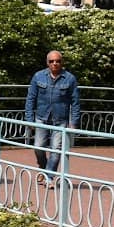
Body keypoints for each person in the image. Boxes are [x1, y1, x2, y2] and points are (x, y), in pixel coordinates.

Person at [25, 50, 80, 180]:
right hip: (41, 117)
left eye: (58, 61)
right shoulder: (38, 76)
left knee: (56, 150)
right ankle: (43, 168)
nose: (55, 63)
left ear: (62, 62)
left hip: (60, 119)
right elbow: (30, 99)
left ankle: (49, 177)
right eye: (52, 61)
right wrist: (29, 120)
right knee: (38, 148)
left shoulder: (70, 78)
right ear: (47, 62)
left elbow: (75, 102)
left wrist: (74, 123)